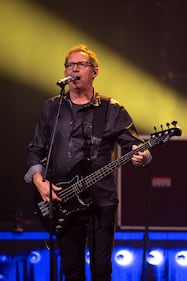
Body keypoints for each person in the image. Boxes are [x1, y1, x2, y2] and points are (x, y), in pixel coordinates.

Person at [24, 43, 152, 281]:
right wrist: (40, 182)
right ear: (64, 73)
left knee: (101, 269)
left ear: (94, 71)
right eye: (69, 65)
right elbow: (35, 149)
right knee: (71, 270)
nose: (74, 69)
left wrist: (142, 156)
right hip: (62, 200)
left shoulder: (111, 109)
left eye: (80, 64)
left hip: (101, 202)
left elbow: (133, 145)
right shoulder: (53, 107)